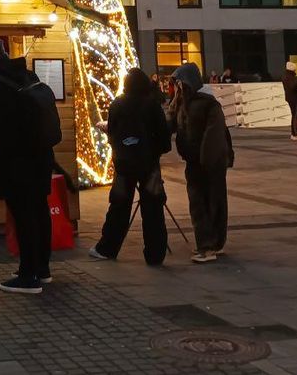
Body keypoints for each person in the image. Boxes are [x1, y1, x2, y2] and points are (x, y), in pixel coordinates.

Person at [0, 37, 54, 294]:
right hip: (42, 156)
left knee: (23, 216)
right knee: (39, 211)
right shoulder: (28, 75)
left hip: (16, 161)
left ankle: (27, 274)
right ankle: (42, 269)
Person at [90, 68, 172, 266]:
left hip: (124, 164)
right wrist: (155, 152)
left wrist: (121, 149)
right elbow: (164, 136)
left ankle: (107, 248)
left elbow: (113, 132)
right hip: (149, 164)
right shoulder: (152, 105)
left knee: (119, 206)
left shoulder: (118, 103)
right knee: (153, 208)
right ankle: (155, 254)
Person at [170, 63, 234, 263]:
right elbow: (170, 124)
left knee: (208, 201)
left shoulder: (208, 104)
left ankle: (208, 246)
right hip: (194, 161)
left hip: (208, 163)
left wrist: (206, 160)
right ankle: (212, 243)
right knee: (202, 202)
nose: (177, 87)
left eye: (179, 83)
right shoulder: (182, 103)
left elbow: (214, 135)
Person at [282, 62, 297, 141]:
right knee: (296, 116)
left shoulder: (284, 77)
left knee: (294, 115)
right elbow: (295, 87)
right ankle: (296, 134)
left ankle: (293, 133)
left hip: (289, 98)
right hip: (296, 99)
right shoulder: (294, 78)